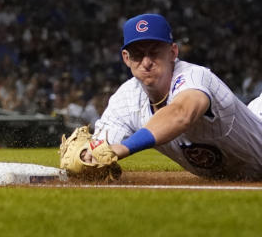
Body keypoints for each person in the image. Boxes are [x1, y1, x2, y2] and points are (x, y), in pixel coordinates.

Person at [87, 13, 262, 180]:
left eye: (154, 52)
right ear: (126, 58)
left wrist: (126, 147)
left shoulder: (195, 76)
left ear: (173, 52)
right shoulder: (125, 99)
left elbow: (180, 113)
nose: (146, 62)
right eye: (138, 55)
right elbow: (98, 149)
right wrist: (84, 155)